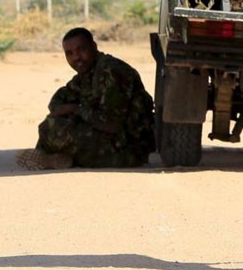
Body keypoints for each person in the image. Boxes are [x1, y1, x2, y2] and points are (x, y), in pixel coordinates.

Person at [16, 27, 155, 170]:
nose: (76, 57)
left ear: (93, 47)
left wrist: (77, 110)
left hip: (130, 147)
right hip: (113, 139)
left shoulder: (111, 71)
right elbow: (59, 99)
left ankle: (54, 157)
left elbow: (112, 123)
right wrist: (69, 111)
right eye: (69, 53)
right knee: (52, 125)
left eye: (81, 50)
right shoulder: (87, 74)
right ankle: (57, 158)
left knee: (55, 128)